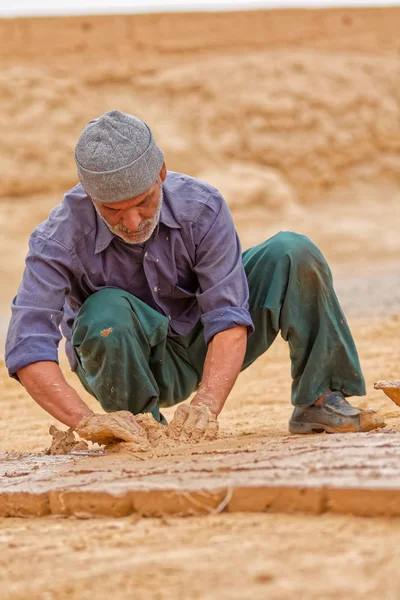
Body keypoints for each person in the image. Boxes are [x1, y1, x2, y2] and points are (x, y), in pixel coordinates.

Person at [5, 110, 383, 445]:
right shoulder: (58, 238)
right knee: (106, 312)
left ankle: (320, 401)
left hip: (206, 345)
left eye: (143, 202)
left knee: (293, 251)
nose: (133, 222)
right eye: (113, 211)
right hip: (126, 360)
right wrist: (86, 421)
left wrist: (207, 404)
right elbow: (28, 347)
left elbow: (228, 312)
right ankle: (140, 430)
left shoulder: (202, 206)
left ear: (162, 174)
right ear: (89, 195)